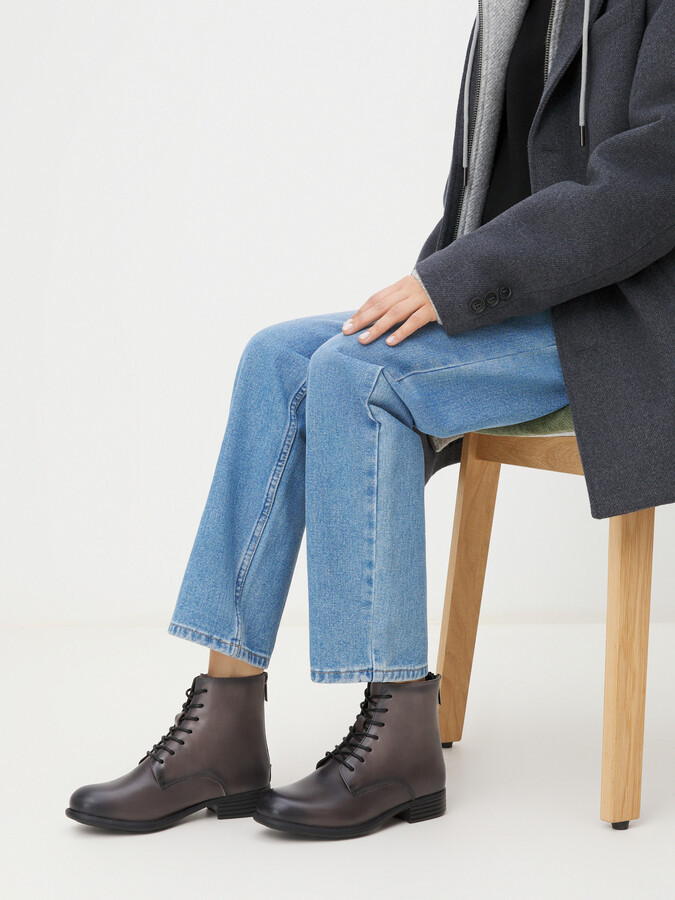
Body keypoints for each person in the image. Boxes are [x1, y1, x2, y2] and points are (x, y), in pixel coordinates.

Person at [66, 0, 674, 838]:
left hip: (627, 316)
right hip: (523, 299)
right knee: (279, 357)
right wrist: (446, 285)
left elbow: (653, 184)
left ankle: (395, 742)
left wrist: (454, 284)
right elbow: (489, 188)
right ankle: (223, 728)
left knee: (360, 375)